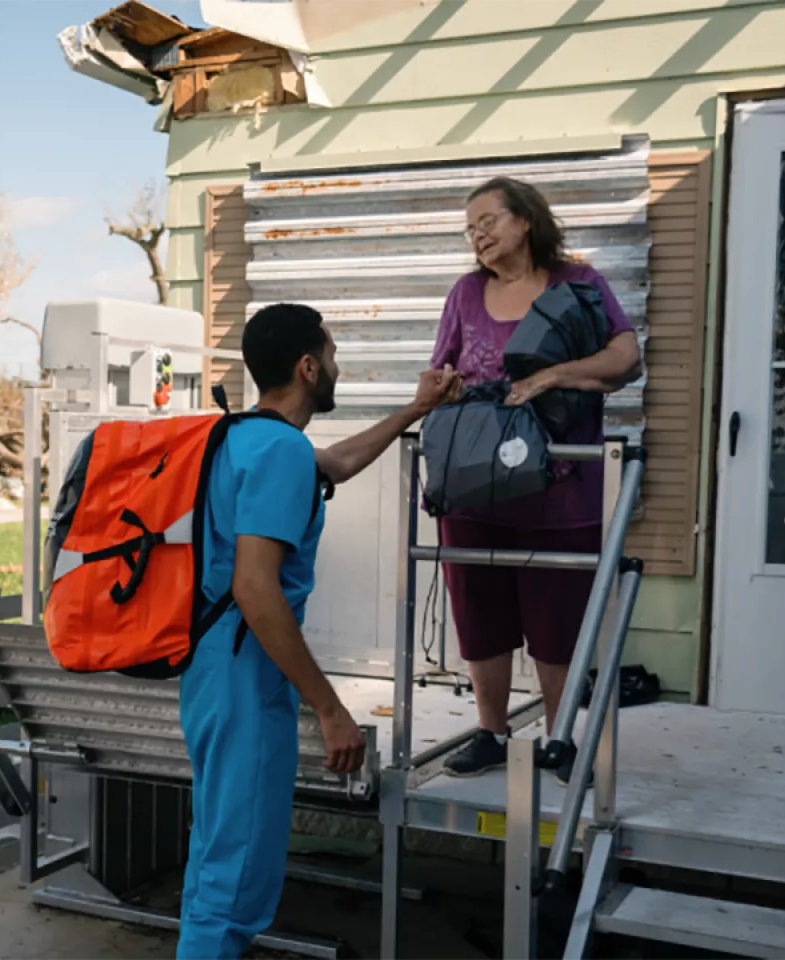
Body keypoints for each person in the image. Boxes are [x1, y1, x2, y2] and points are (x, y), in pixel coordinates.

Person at [177, 302, 459, 959]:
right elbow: (254, 586)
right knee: (235, 879)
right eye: (331, 356)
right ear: (308, 367)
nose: (338, 365)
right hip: (245, 673)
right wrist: (331, 709)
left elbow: (333, 463)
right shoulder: (278, 451)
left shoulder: (243, 438)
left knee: (219, 853)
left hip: (213, 668)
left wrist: (416, 410)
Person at [432, 176, 643, 784]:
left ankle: (558, 739)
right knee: (479, 611)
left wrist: (553, 377)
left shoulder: (578, 283)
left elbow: (624, 358)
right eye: (470, 228)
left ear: (525, 219)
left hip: (560, 486)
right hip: (475, 483)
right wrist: (436, 394)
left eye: (488, 220)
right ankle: (492, 731)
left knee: (557, 619)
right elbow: (442, 365)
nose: (479, 234)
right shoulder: (466, 293)